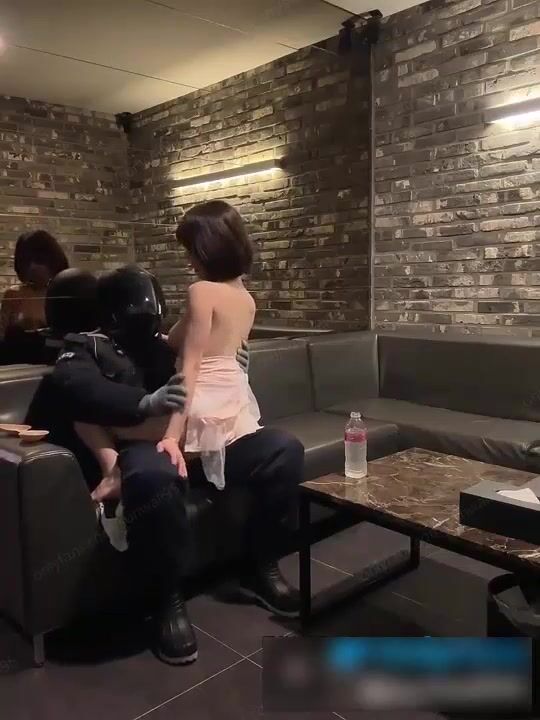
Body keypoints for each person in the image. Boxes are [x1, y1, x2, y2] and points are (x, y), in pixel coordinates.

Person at [34, 264, 303, 666]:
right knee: (153, 477)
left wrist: (233, 366)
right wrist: (142, 403)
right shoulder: (86, 345)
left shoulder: (164, 344)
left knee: (283, 449)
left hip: (201, 442)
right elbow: (75, 387)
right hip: (145, 444)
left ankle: (261, 564)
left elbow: (202, 372)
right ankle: (166, 599)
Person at [75, 200, 261, 498]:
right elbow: (181, 341)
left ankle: (112, 475)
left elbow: (191, 366)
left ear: (208, 249)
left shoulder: (201, 292)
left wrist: (172, 436)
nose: (189, 261)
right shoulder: (247, 300)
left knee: (86, 415)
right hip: (234, 410)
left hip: (198, 408)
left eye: (191, 251)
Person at [0, 230, 69, 364]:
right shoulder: (14, 294)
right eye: (26, 261)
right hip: (18, 366)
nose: (33, 267)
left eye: (39, 260)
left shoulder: (64, 293)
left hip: (55, 364)